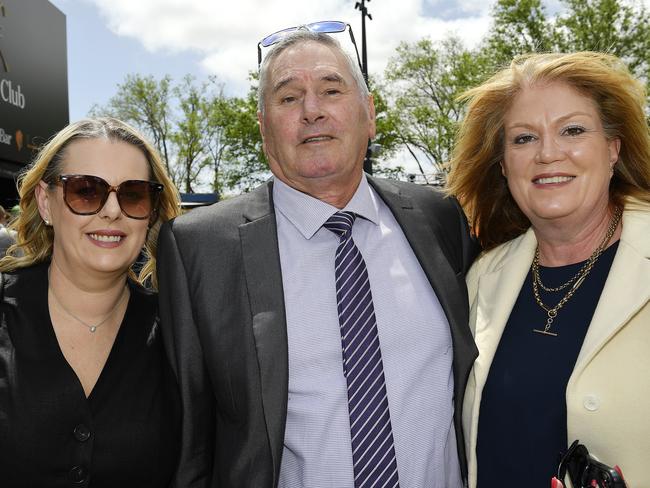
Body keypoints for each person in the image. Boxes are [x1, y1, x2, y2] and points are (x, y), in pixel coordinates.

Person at [158, 27, 479, 488]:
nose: (312, 111)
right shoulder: (199, 247)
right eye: (288, 98)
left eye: (331, 90)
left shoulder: (439, 218)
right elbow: (189, 443)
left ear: (368, 114)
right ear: (264, 126)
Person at [446, 51, 650, 487]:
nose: (548, 153)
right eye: (523, 139)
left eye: (573, 130)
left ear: (613, 149)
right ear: (503, 165)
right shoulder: (480, 279)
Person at [0, 117, 182, 487]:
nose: (112, 211)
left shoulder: (180, 334)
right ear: (46, 203)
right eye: (85, 190)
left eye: (133, 194)